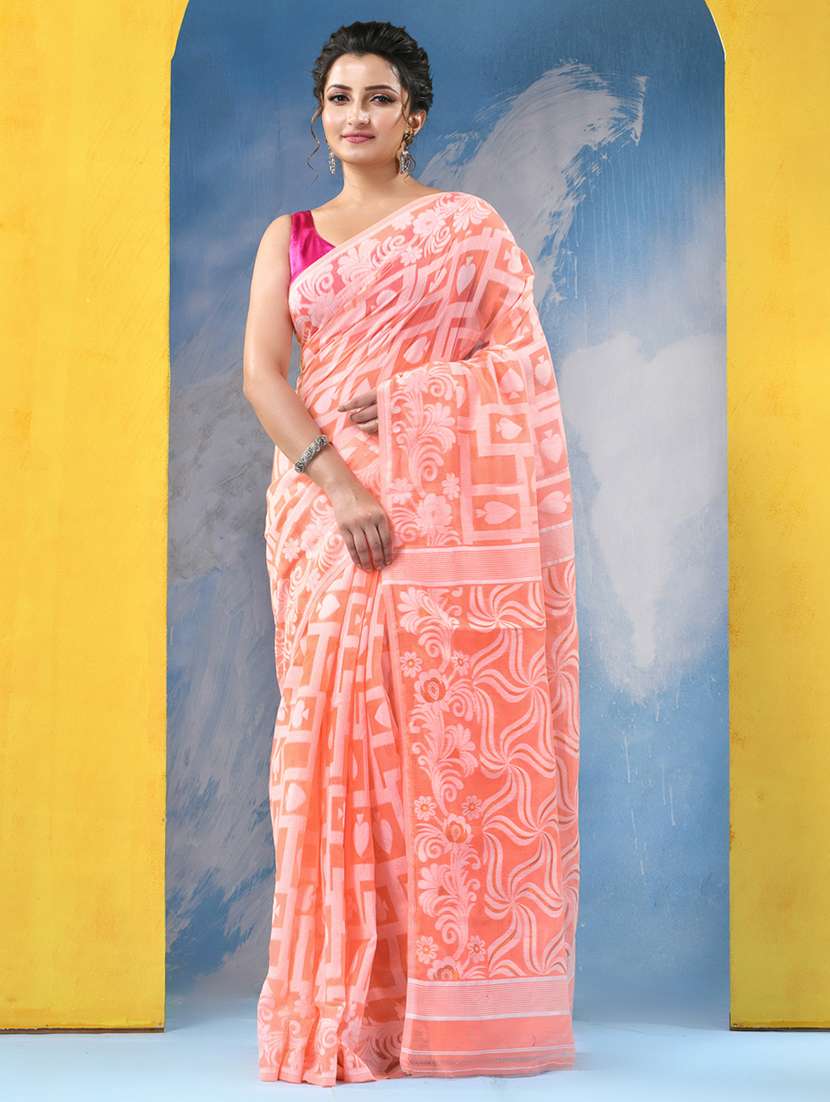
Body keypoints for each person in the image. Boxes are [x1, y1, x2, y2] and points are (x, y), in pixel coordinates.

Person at [242, 19, 581, 1087]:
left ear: (413, 116)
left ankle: (429, 1007)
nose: (357, 115)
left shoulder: (464, 229)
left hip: (440, 513)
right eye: (339, 97)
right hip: (319, 506)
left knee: (430, 750)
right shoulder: (292, 235)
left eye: (378, 97)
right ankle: (348, 1008)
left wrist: (410, 400)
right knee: (331, 740)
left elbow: (519, 368)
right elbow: (262, 375)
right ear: (320, 115)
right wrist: (340, 486)